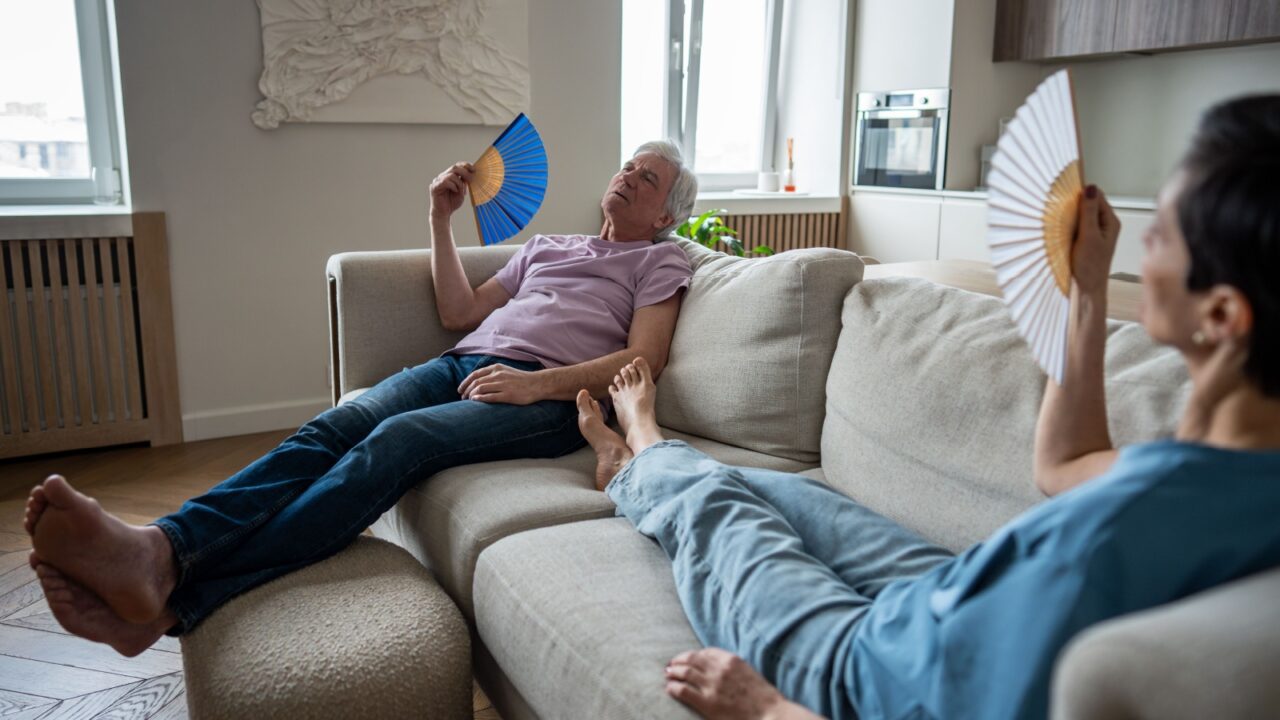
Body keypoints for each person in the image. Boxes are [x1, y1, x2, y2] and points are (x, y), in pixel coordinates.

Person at [575, 95, 1280, 719]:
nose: (1139, 244)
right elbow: (1064, 463)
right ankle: (655, 460)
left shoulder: (1150, 525)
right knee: (772, 487)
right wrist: (1088, 290)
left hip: (866, 667)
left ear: (1220, 313)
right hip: (948, 593)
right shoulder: (1236, 479)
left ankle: (637, 441)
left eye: (1161, 230)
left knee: (712, 501)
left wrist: (765, 708)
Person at [22, 140, 698, 656]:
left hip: (548, 398)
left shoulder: (660, 261)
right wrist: (439, 218)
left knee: (394, 445)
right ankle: (161, 551)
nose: (627, 177)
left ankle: (178, 592)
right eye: (627, 166)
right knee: (335, 427)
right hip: (461, 363)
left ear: (666, 212)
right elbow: (459, 311)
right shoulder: (549, 245)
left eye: (648, 178)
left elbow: (646, 358)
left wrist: (535, 385)